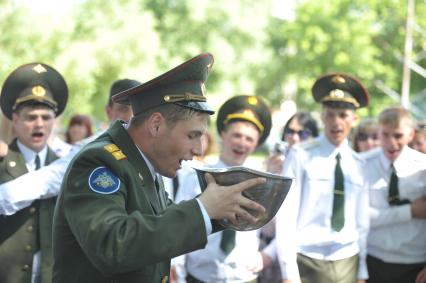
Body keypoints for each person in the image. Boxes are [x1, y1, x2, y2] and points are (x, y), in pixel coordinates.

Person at [51, 53, 266, 283]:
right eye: (192, 135)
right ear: (156, 125)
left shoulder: (142, 163)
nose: (198, 150)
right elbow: (112, 244)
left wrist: (223, 212)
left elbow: (161, 222)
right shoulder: (101, 161)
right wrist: (203, 209)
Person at [276, 73, 370, 283]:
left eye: (344, 114)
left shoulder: (360, 164)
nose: (336, 122)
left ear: (354, 119)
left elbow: (362, 222)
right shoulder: (301, 155)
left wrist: (362, 272)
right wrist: (288, 272)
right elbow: (287, 215)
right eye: (331, 114)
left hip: (347, 259)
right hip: (308, 260)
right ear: (322, 116)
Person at [0, 77, 141, 216]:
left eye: (138, 109)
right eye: (123, 109)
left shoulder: (156, 144)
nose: (131, 116)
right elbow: (49, 179)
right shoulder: (94, 147)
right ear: (109, 111)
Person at [172, 94, 272, 283]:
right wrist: (176, 266)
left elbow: (279, 227)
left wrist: (268, 255)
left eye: (249, 139)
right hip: (200, 276)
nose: (242, 143)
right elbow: (180, 223)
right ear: (223, 134)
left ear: (257, 144)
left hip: (244, 277)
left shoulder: (263, 181)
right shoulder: (197, 175)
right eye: (237, 135)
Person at [0, 62, 68, 283]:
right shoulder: (2, 163)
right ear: (16, 120)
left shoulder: (66, 168)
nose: (39, 124)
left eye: (46, 117)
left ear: (54, 121)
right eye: (31, 117)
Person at [361, 106, 426, 283]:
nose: (391, 142)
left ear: (411, 135)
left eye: (398, 135)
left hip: (414, 263)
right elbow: (361, 216)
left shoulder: (423, 166)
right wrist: (410, 211)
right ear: (378, 133)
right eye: (385, 134)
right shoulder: (363, 164)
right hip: (372, 259)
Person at [260, 111, 319, 283]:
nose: (295, 137)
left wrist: (270, 253)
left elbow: (298, 222)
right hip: (265, 250)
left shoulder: (316, 171)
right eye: (290, 132)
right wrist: (269, 174)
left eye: (303, 133)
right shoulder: (274, 163)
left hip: (295, 257)